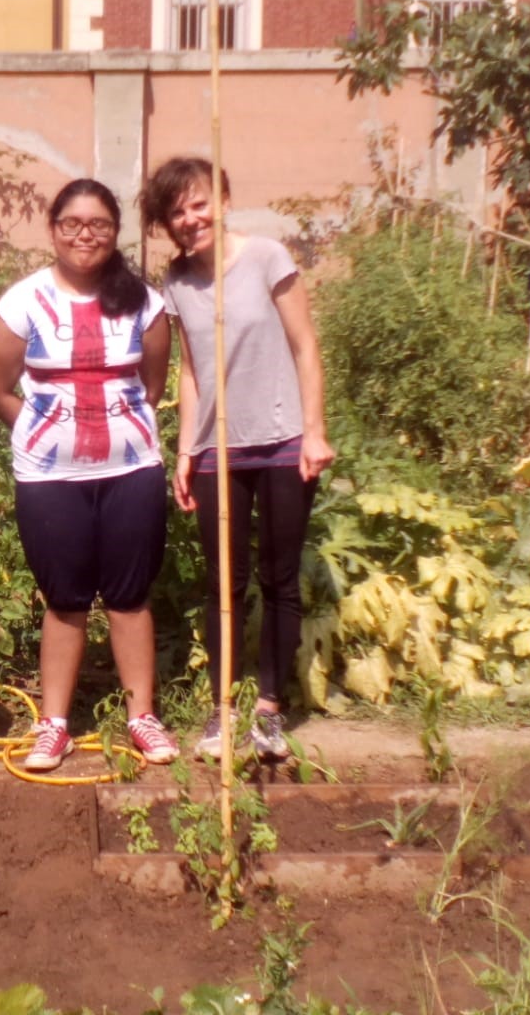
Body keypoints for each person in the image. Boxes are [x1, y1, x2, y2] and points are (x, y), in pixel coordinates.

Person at [0, 178, 177, 772]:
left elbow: (154, 386)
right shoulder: (22, 302)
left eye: (98, 225)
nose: (84, 234)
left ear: (116, 232)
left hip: (132, 470)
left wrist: (113, 429)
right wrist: (38, 430)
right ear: (53, 229)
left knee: (128, 597)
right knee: (64, 600)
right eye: (72, 224)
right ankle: (55, 724)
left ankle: (142, 714)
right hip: (47, 478)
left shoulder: (144, 301)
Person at [141, 156, 335, 760]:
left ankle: (271, 711)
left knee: (279, 580)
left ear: (223, 199)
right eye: (176, 211)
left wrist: (314, 431)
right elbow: (192, 369)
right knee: (223, 581)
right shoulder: (176, 281)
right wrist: (185, 447)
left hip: (280, 441)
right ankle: (221, 710)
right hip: (217, 449)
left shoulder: (267, 258)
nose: (190, 218)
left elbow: (305, 347)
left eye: (199, 203)